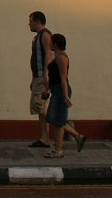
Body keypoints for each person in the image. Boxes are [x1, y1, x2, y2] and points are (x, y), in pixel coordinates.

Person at [43, 33, 87, 158]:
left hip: (61, 91)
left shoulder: (62, 58)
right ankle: (78, 137)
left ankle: (58, 150)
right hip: (56, 90)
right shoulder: (57, 57)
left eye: (51, 42)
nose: (49, 44)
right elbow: (54, 78)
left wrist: (66, 95)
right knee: (54, 119)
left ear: (56, 44)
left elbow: (63, 78)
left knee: (57, 121)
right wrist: (47, 89)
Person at [27, 11, 53, 148]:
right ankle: (44, 138)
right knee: (38, 107)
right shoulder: (37, 37)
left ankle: (67, 128)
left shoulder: (45, 35)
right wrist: (33, 77)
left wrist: (46, 75)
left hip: (43, 77)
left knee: (41, 107)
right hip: (38, 77)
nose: (28, 24)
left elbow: (49, 54)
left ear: (37, 22)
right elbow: (35, 59)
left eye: (30, 21)